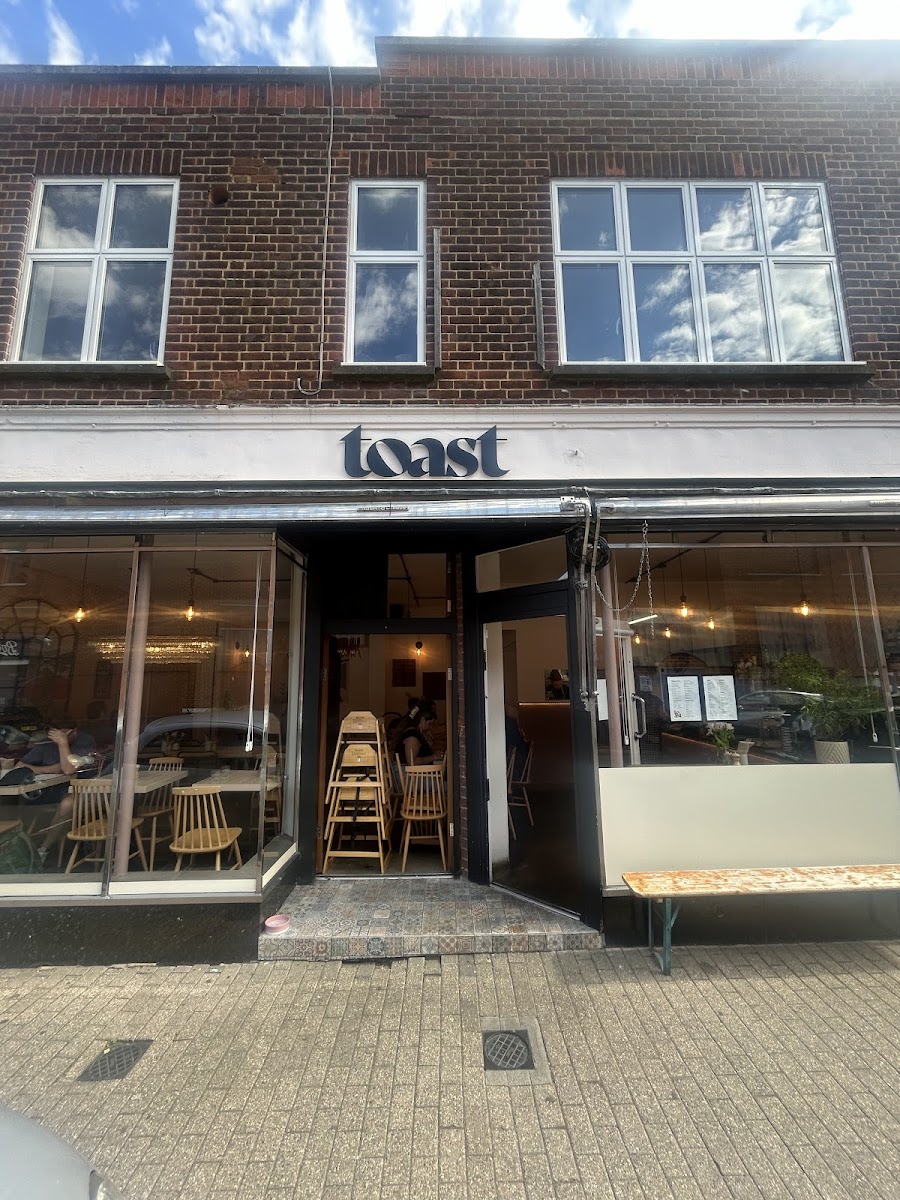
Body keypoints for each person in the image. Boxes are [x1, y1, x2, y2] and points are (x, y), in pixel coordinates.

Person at [392, 701, 439, 766]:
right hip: (406, 771)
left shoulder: (418, 732)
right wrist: (433, 757)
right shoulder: (412, 736)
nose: (431, 727)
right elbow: (411, 762)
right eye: (430, 724)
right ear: (422, 720)